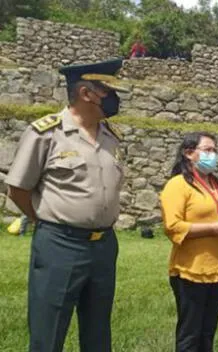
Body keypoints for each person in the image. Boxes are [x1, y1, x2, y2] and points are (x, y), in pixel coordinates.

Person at [4, 59, 128, 352]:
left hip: (104, 245)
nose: (114, 97)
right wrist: (47, 221)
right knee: (49, 331)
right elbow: (18, 189)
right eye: (107, 90)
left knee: (98, 333)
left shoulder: (111, 137)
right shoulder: (46, 133)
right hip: (60, 245)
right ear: (86, 93)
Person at [160, 132, 218, 352]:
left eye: (214, 150)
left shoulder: (216, 185)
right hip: (191, 269)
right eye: (207, 150)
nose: (213, 155)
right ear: (189, 153)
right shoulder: (178, 185)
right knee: (190, 333)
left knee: (207, 333)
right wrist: (212, 229)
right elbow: (173, 226)